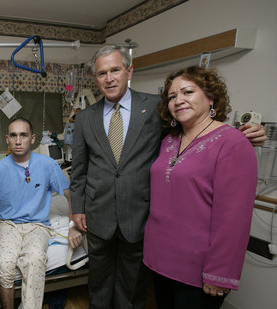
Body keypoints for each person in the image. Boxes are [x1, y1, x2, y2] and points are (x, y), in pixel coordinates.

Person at [70, 45, 266, 309]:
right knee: (99, 287)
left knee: (134, 290)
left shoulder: (155, 107)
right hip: (99, 215)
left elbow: (199, 127)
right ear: (96, 78)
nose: (109, 78)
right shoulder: (84, 119)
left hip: (139, 217)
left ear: (129, 71)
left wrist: (242, 133)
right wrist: (77, 210)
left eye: (115, 70)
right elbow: (79, 169)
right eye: (102, 73)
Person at [143, 66, 257, 309]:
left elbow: (234, 218)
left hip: (197, 269)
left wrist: (221, 272)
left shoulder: (233, 143)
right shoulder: (168, 140)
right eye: (172, 96)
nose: (179, 100)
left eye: (187, 92)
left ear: (211, 97)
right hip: (159, 258)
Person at [0, 117, 82, 309]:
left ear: (32, 138)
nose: (18, 141)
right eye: (13, 136)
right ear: (7, 138)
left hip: (37, 225)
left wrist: (73, 225)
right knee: (6, 265)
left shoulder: (47, 165)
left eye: (23, 135)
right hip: (8, 224)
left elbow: (69, 194)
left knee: (35, 261)